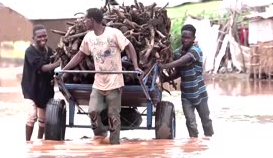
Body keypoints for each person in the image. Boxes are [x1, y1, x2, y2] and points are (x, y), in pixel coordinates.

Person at [60, 8, 141, 144]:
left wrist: (136, 66)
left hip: (114, 82)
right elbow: (80, 55)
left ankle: (114, 145)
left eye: (85, 19)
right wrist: (65, 70)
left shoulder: (114, 33)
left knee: (113, 117)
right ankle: (101, 134)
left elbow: (129, 47)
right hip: (98, 82)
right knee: (92, 111)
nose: (84, 22)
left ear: (91, 20)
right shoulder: (89, 37)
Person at [159, 24, 214, 138]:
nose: (185, 40)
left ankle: (209, 141)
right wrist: (165, 79)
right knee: (190, 123)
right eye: (183, 37)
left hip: (200, 93)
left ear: (194, 39)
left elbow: (184, 60)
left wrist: (165, 66)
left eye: (188, 38)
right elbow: (178, 72)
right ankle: (194, 144)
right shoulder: (178, 52)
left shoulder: (196, 50)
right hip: (186, 95)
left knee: (206, 121)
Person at [21, 24, 61, 141]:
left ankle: (39, 141)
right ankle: (27, 142)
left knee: (43, 119)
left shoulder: (49, 51)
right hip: (31, 89)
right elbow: (42, 68)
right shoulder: (30, 51)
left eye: (44, 36)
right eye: (39, 37)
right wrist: (57, 64)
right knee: (31, 116)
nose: (43, 39)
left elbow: (52, 69)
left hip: (45, 90)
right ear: (33, 38)